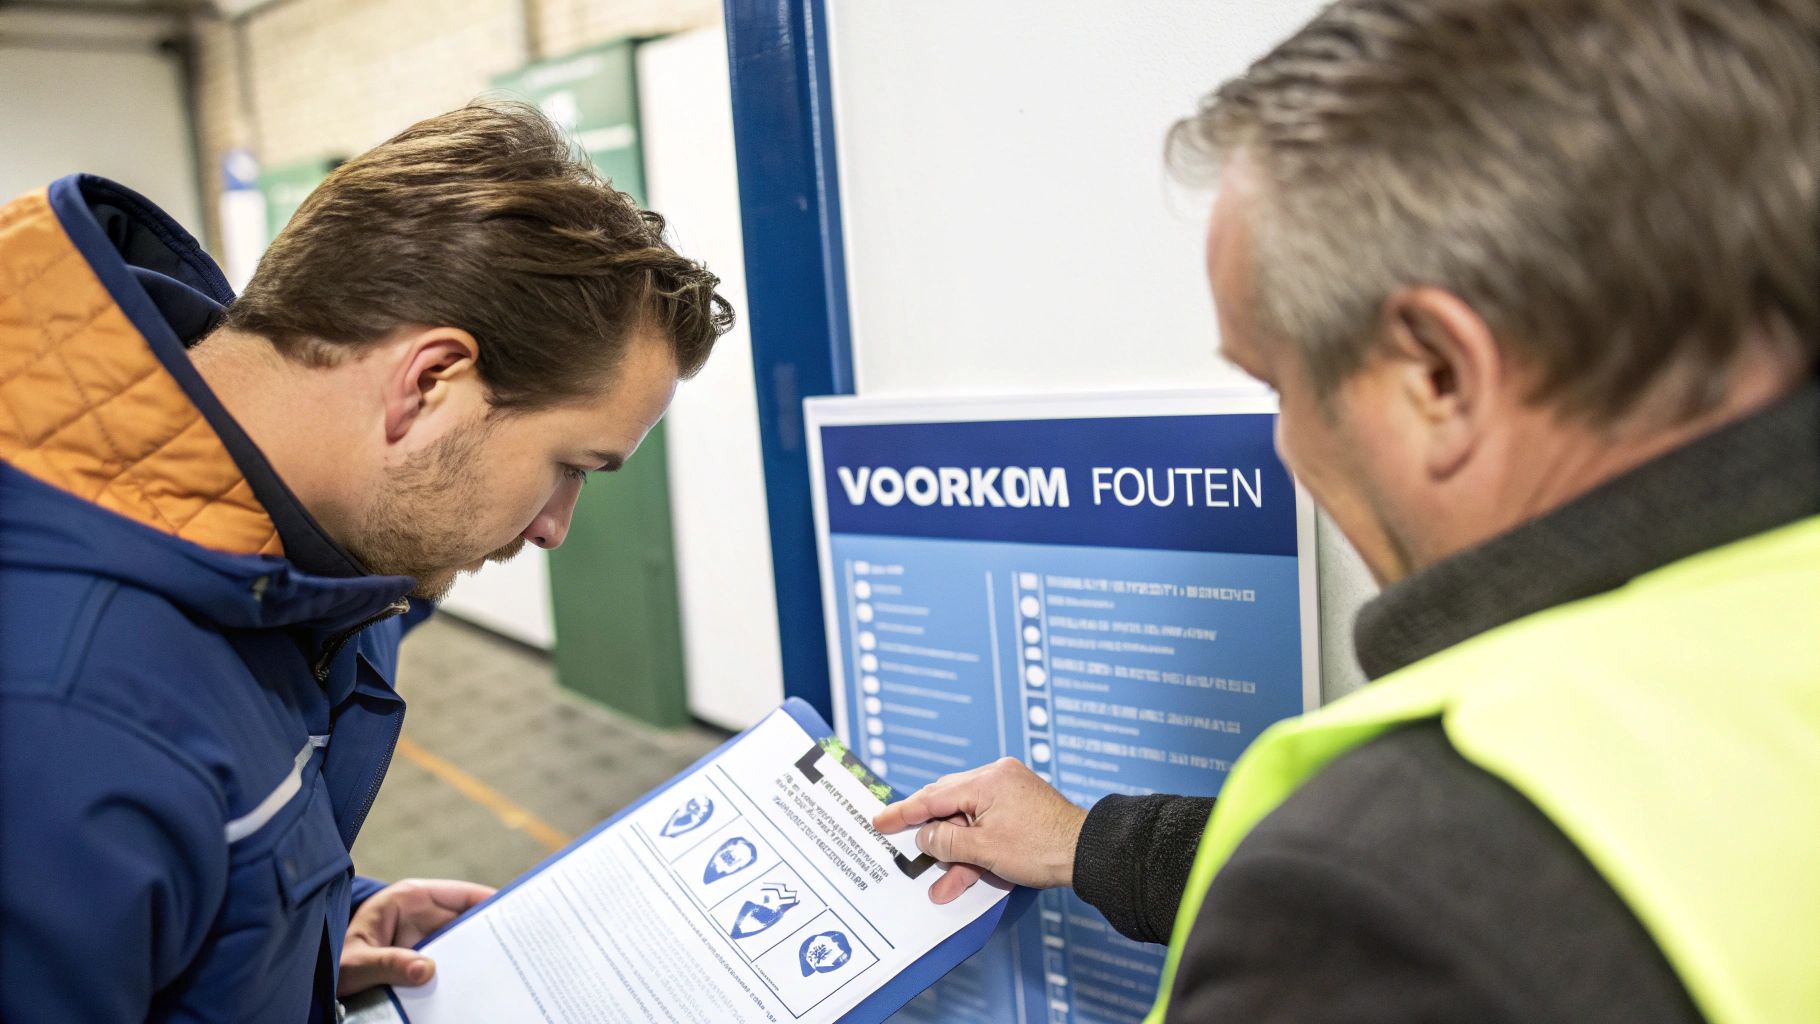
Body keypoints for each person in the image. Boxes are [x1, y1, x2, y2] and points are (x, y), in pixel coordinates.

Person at [876, 1, 1820, 1021]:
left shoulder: (1383, 891)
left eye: (1276, 384)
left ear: (1437, 374)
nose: (1285, 444)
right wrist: (1094, 843)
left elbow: (1437, 889)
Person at [0, 101, 731, 1021]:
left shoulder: (278, 570)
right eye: (569, 466)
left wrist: (298, 940)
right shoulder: (59, 717)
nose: (554, 527)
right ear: (429, 385)